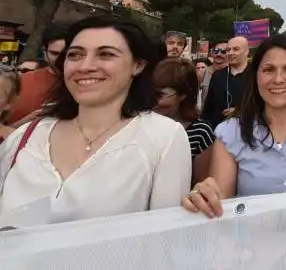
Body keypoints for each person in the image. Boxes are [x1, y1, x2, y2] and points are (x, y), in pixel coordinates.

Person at [0, 15, 191, 223]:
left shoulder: (164, 139)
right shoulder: (26, 137)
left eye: (106, 54)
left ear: (138, 65)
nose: (85, 66)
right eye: (75, 55)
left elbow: (162, 239)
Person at [181, 34, 286, 218]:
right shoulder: (230, 133)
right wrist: (203, 196)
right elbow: (220, 203)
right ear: (256, 75)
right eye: (268, 70)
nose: (278, 79)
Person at [153, 58, 215, 183]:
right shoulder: (138, 124)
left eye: (161, 95)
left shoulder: (200, 132)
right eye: (151, 92)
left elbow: (201, 184)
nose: (153, 101)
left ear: (183, 95)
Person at [5, 23, 69, 126]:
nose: (60, 60)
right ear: (44, 52)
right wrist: (24, 125)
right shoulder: (19, 82)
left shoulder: (88, 86)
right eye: (55, 53)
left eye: (67, 54)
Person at [201, 36, 250, 129]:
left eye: (236, 49)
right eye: (228, 50)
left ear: (246, 51)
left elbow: (264, 106)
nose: (231, 53)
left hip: (247, 130)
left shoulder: (256, 75)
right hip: (217, 130)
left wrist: (241, 111)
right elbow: (209, 106)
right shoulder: (217, 75)